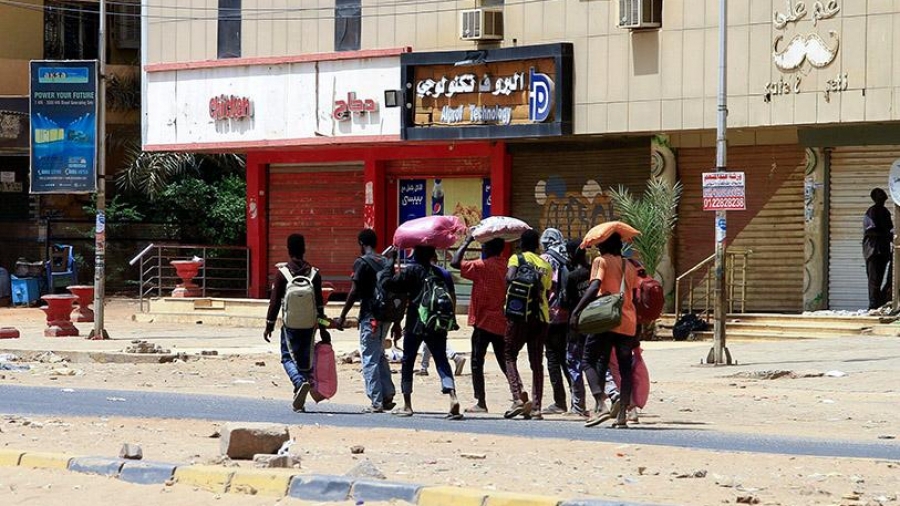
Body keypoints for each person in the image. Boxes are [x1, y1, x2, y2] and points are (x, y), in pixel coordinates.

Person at [385, 245, 462, 419]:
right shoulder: (443, 273)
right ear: (432, 255)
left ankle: (407, 405)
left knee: (408, 360)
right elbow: (452, 298)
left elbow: (390, 284)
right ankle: (453, 396)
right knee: (441, 358)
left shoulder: (411, 271)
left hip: (416, 322)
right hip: (438, 323)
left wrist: (390, 261)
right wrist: (450, 322)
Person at [571, 232, 638, 428]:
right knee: (625, 369)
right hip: (628, 320)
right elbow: (631, 294)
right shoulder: (630, 266)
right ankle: (622, 414)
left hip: (606, 319)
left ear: (604, 246)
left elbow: (594, 287)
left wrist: (577, 310)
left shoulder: (601, 261)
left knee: (588, 360)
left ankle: (601, 403)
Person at [264, 233, 331, 413]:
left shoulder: (282, 274)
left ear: (288, 249)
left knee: (287, 358)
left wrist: (269, 324)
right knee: (304, 360)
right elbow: (319, 305)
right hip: (310, 326)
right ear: (304, 249)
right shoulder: (314, 274)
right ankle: (298, 400)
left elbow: (275, 302)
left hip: (290, 326)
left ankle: (299, 382)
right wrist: (324, 328)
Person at [333, 229, 396, 413]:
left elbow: (354, 291)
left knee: (369, 357)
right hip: (386, 317)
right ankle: (387, 394)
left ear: (361, 243)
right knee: (379, 355)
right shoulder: (385, 261)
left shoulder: (361, 262)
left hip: (370, 316)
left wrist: (343, 315)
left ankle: (376, 401)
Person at [450, 233, 509, 413]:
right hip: (500, 320)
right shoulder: (505, 266)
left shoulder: (480, 266)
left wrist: (467, 241)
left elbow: (455, 263)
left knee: (477, 361)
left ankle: (481, 401)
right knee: (505, 361)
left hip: (482, 321)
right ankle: (518, 393)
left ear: (489, 248)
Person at [563, 240, 621, 418]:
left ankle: (585, 404)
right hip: (603, 319)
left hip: (581, 323)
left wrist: (576, 313)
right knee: (602, 360)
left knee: (581, 361)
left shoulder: (574, 275)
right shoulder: (596, 269)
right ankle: (614, 393)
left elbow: (567, 301)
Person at [503, 229, 552, 420]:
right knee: (536, 362)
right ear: (537, 244)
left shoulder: (517, 259)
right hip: (541, 316)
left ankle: (517, 397)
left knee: (509, 353)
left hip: (518, 315)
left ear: (522, 243)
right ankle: (537, 407)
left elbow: (509, 278)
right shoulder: (545, 264)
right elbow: (547, 288)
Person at [540, 228, 571, 415]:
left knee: (552, 357)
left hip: (550, 314)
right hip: (568, 314)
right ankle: (578, 400)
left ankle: (560, 402)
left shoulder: (546, 260)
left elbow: (546, 285)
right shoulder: (567, 257)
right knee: (567, 359)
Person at [864, 188, 894, 310]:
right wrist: (887, 233)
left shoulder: (885, 211)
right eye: (880, 195)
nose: (883, 196)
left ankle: (879, 302)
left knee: (886, 279)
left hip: (883, 250)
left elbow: (891, 229)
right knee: (874, 280)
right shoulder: (872, 211)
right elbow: (871, 230)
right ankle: (873, 305)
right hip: (874, 250)